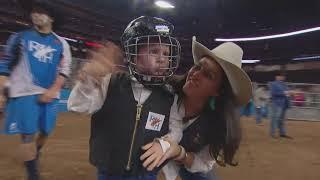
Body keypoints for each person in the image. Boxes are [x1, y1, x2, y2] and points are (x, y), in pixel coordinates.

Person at [67, 16, 181, 180]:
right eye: (154, 51)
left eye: (166, 53)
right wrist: (90, 80)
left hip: (146, 173)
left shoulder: (169, 97)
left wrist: (164, 144)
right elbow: (76, 106)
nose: (162, 58)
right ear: (134, 55)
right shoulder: (110, 83)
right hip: (110, 171)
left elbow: (175, 129)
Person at [141, 37, 252, 180]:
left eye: (208, 75)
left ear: (218, 91)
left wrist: (180, 154)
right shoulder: (164, 92)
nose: (196, 74)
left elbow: (204, 163)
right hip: (151, 157)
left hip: (188, 162)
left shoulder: (218, 124)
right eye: (198, 66)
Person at [0, 1, 72, 180]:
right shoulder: (19, 38)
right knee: (28, 135)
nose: (36, 15)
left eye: (42, 12)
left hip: (50, 94)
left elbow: (65, 71)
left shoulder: (61, 44)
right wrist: (1, 92)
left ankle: (35, 153)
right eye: (34, 12)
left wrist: (53, 89)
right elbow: (5, 67)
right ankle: (33, 173)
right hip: (24, 93)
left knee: (45, 131)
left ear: (52, 17)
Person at [269, 72, 292, 139]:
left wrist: (289, 94)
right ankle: (272, 133)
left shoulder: (284, 84)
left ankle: (282, 133)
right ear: (276, 77)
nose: (282, 77)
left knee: (281, 120)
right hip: (277, 103)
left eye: (283, 76)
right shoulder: (273, 84)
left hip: (284, 104)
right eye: (281, 76)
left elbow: (287, 93)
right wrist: (285, 93)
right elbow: (273, 93)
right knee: (275, 119)